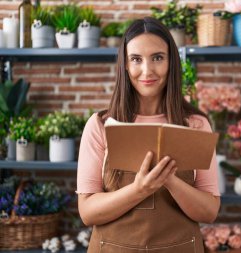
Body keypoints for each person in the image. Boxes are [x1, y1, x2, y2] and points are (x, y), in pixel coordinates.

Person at [76, 17, 220, 253]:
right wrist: (140, 189)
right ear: (125, 64)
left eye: (157, 58)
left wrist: (169, 180)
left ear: (171, 62)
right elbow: (88, 212)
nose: (147, 70)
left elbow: (209, 211)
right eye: (136, 59)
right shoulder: (100, 125)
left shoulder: (195, 124)